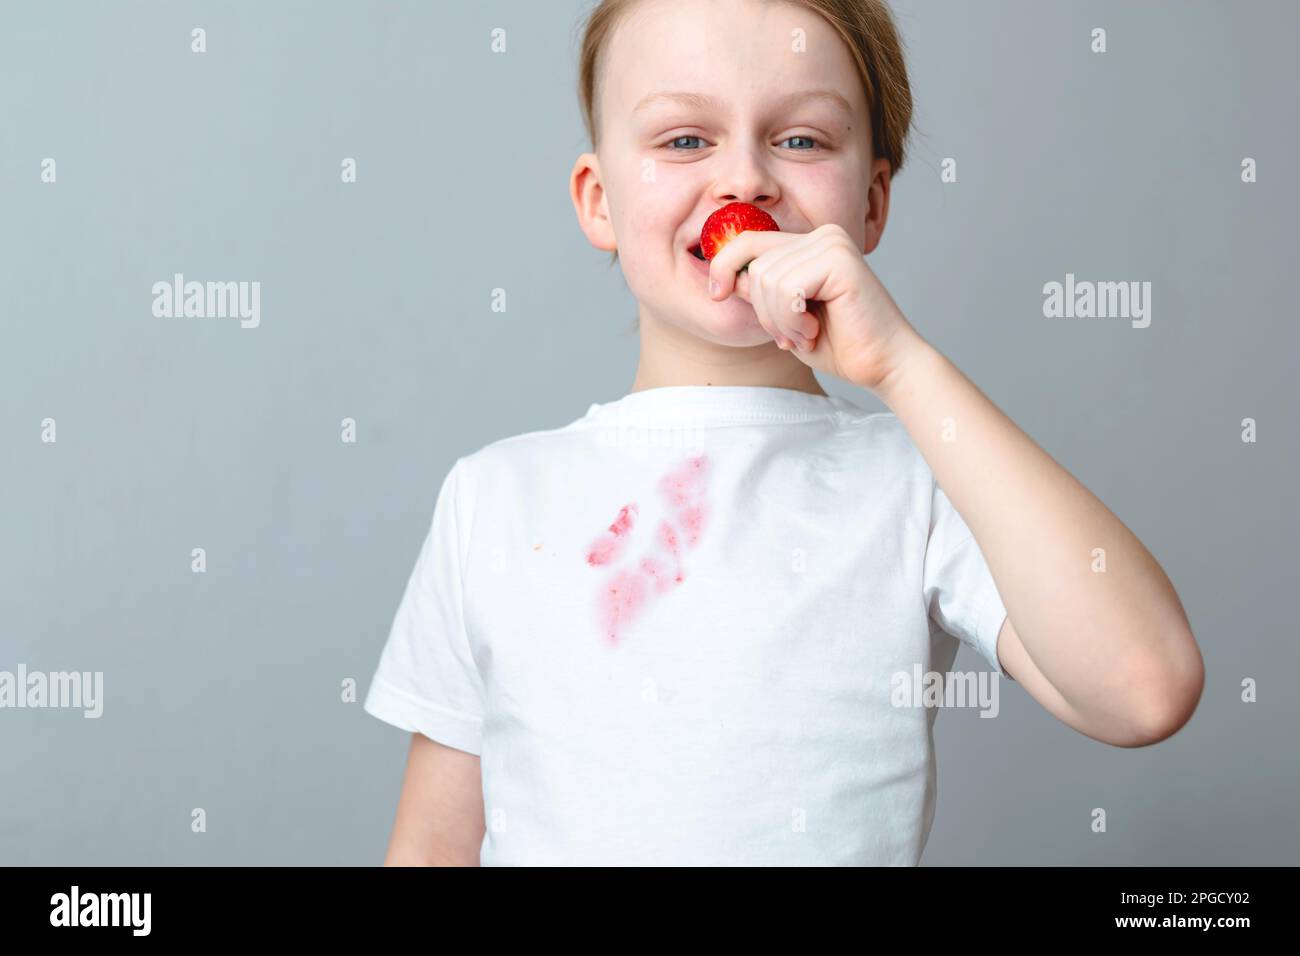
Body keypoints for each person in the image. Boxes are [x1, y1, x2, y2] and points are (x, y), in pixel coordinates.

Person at [363, 0, 1204, 866]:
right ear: (599, 200)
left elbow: (1146, 689)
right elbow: (430, 848)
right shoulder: (493, 498)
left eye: (800, 140)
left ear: (872, 203)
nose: (745, 181)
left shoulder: (918, 480)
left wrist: (902, 367)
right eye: (684, 140)